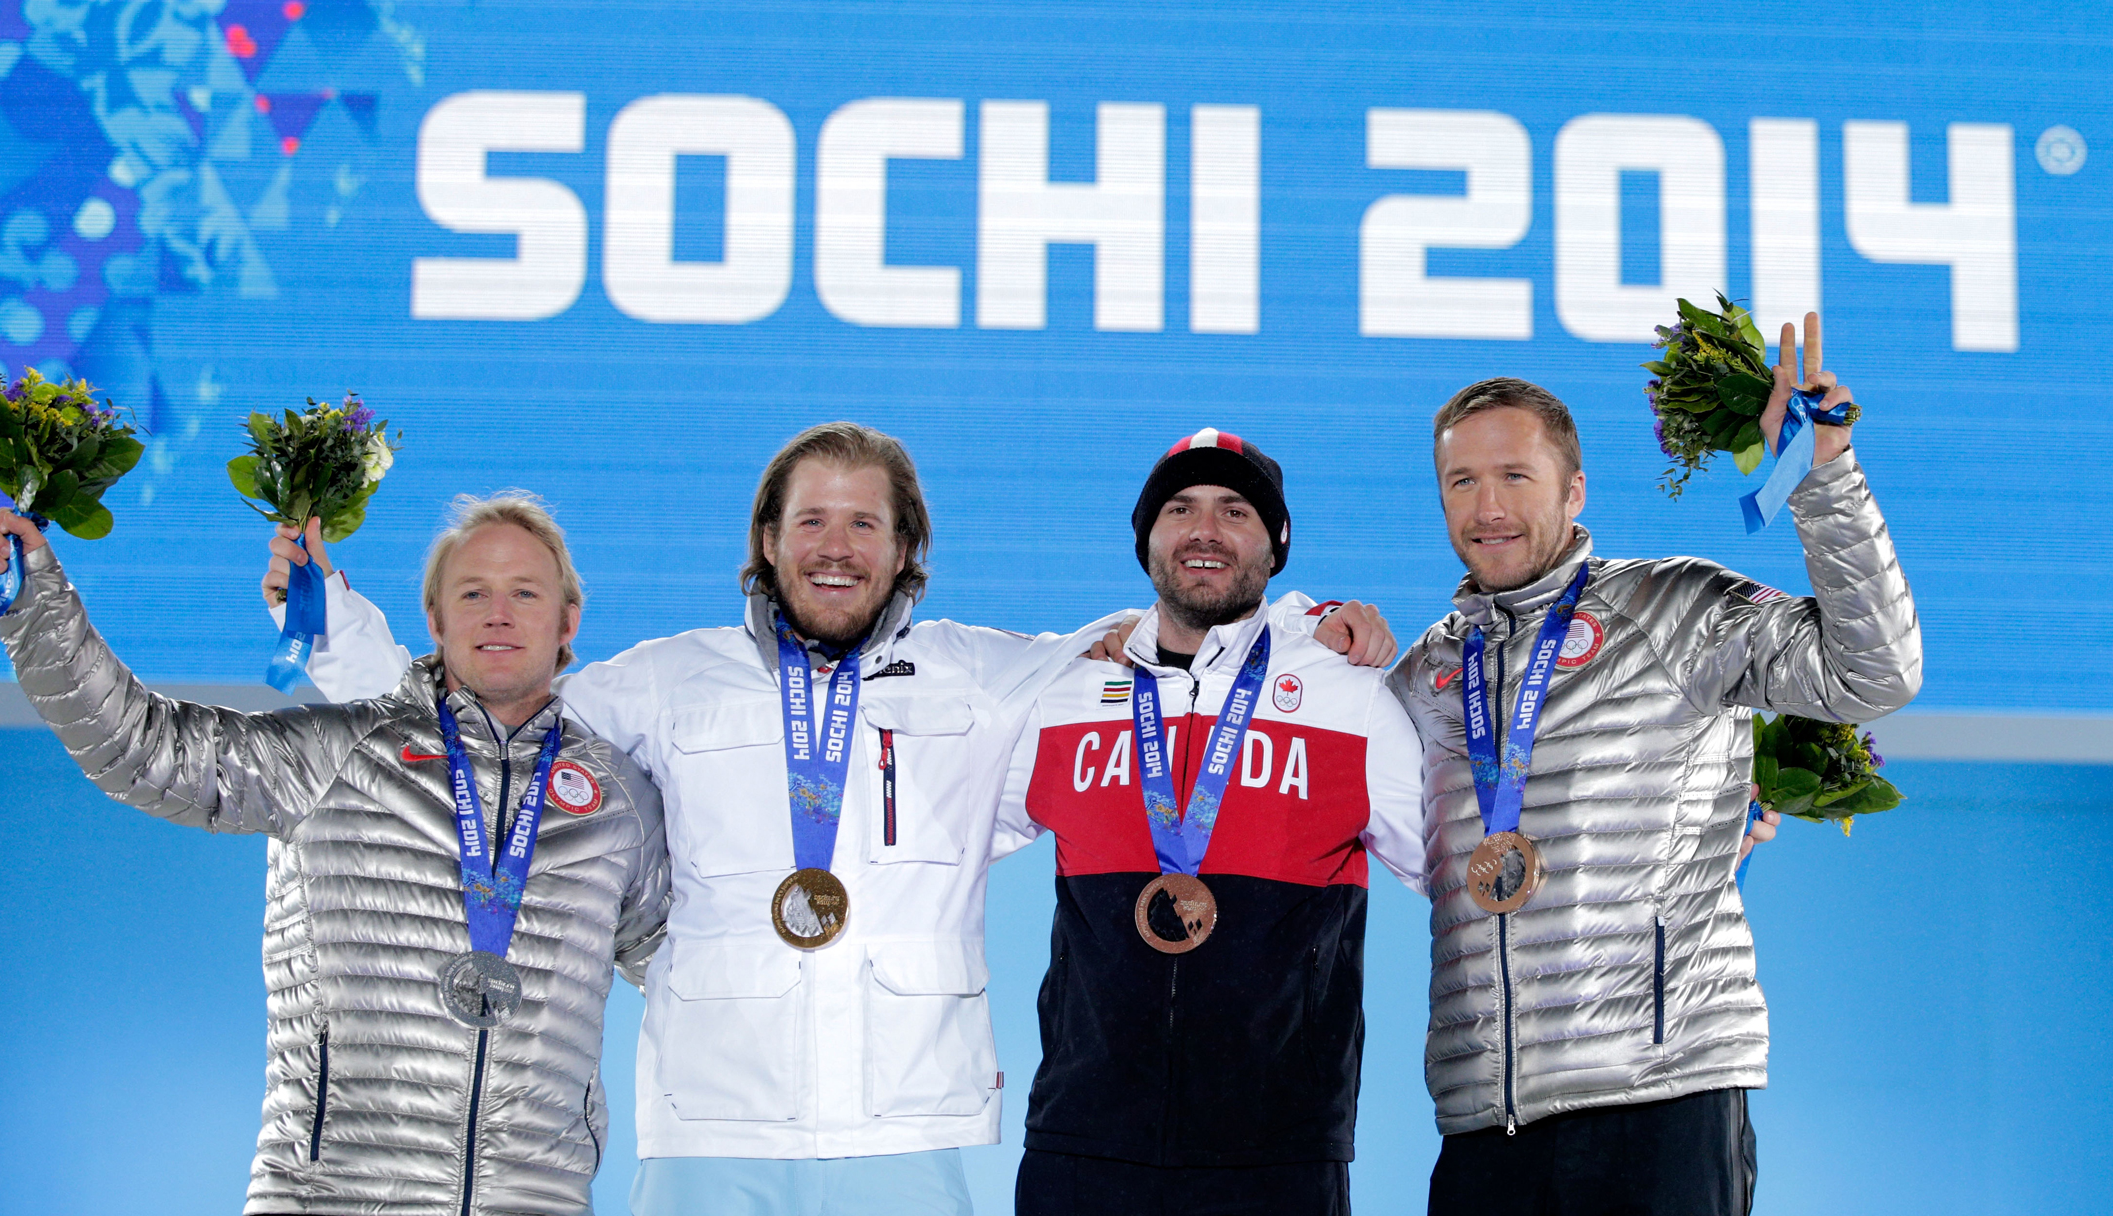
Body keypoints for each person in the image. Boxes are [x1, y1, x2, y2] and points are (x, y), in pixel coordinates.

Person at [279, 422, 1392, 1216]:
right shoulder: (671, 680)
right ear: (767, 538)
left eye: (866, 521)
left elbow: (1179, 633)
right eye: (810, 517)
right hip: (711, 1124)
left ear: (906, 547)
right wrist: (339, 635)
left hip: (904, 1132)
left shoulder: (985, 677)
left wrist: (1306, 627)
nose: (836, 543)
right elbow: (491, 711)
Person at [0, 492, 670, 1216]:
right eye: (473, 592)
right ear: (433, 620)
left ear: (568, 622)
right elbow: (142, 748)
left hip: (537, 1200)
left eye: (525, 592)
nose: (499, 613)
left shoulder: (618, 802)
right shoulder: (335, 751)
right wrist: (34, 604)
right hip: (328, 1197)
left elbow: (695, 973)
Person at [1385, 316, 1921, 1216]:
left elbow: (1875, 671)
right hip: (1485, 1125)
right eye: (1462, 482)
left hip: (1662, 1102)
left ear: (1576, 488)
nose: (1489, 508)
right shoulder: (1428, 675)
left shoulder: (1673, 609)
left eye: (1516, 476)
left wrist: (1823, 477)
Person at [993, 429, 1420, 1215]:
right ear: (1146, 538)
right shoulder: (1068, 690)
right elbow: (934, 832)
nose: (1204, 530)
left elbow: (1462, 865)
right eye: (1179, 508)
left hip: (1279, 1151)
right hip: (1084, 1144)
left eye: (1235, 510)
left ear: (1275, 543)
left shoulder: (1350, 698)